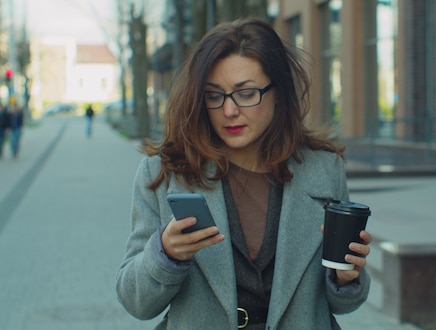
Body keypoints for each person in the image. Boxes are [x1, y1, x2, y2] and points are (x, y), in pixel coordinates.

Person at [116, 18, 372, 329]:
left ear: (278, 92)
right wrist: (166, 254)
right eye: (214, 95)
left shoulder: (324, 170)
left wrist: (347, 277)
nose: (229, 111)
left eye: (246, 93)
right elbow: (135, 302)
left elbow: (342, 305)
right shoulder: (164, 173)